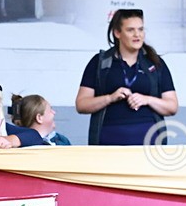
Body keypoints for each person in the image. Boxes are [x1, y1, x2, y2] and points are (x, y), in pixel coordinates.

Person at [75, 8, 178, 145]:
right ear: (117, 33)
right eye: (131, 30)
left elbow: (172, 106)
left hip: (150, 141)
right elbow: (81, 104)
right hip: (108, 140)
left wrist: (146, 99)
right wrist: (110, 98)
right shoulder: (100, 62)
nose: (137, 35)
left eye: (141, 29)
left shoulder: (155, 63)